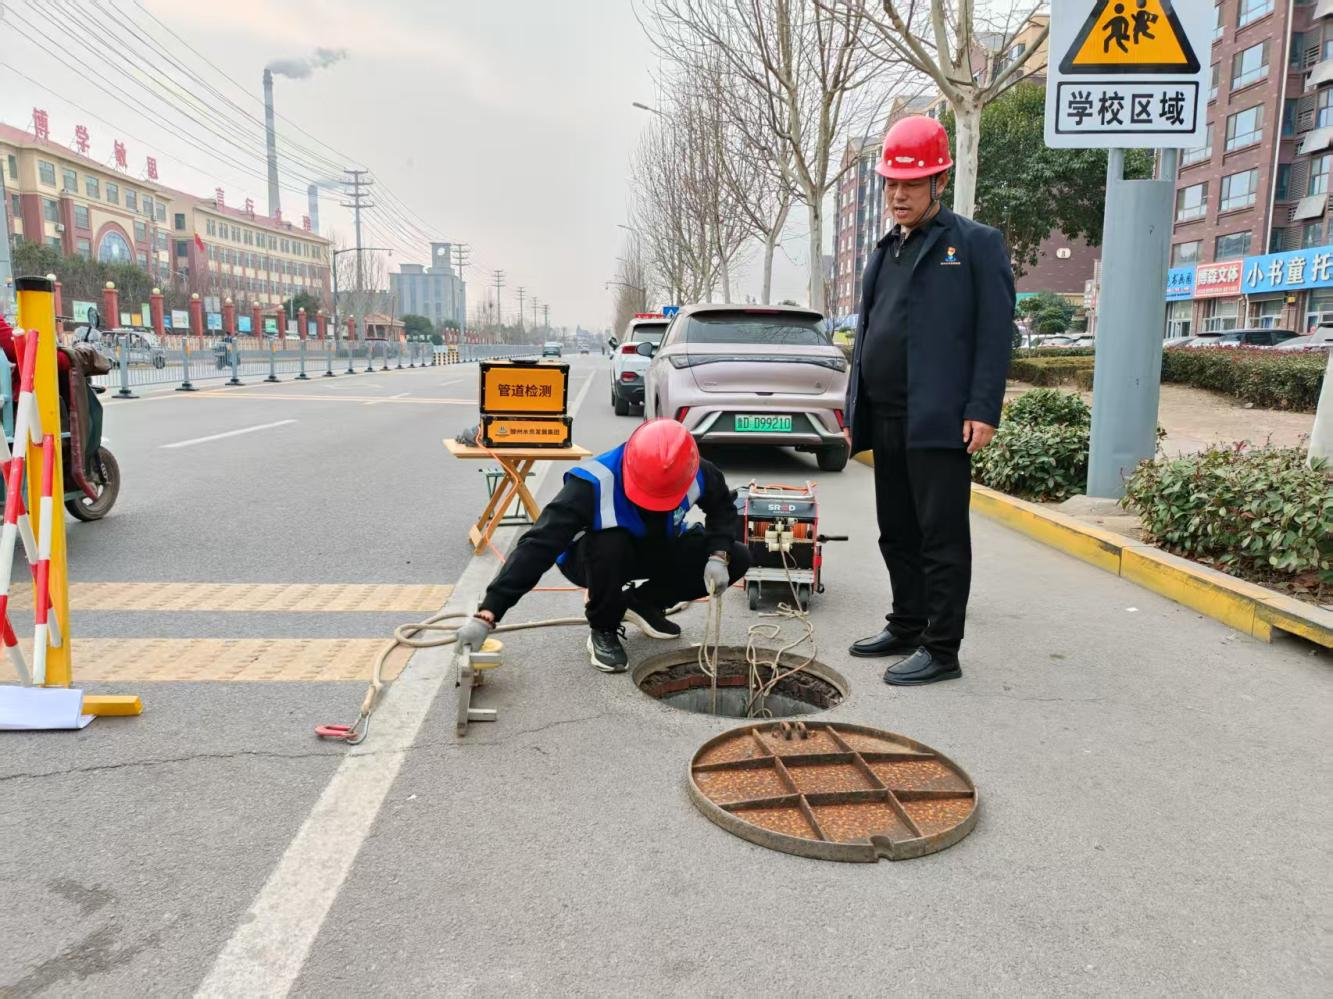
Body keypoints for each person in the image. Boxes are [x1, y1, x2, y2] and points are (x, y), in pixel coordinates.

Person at [843, 115, 1015, 686]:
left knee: (940, 536)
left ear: (938, 181)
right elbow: (866, 336)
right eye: (891, 184)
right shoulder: (883, 250)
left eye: (910, 184)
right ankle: (907, 621)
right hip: (886, 417)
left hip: (940, 419)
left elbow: (994, 334)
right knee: (896, 531)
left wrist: (983, 409)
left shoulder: (974, 246)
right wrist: (853, 412)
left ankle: (942, 648)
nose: (898, 194)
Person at [455, 419, 750, 672]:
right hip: (598, 559)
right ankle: (604, 627)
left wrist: (718, 555)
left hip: (659, 543)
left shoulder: (694, 469)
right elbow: (538, 545)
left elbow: (722, 508)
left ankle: (644, 603)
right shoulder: (591, 484)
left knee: (737, 556)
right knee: (610, 541)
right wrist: (488, 613)